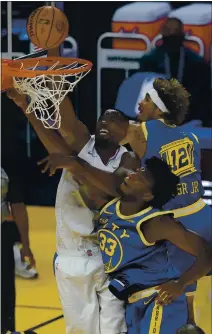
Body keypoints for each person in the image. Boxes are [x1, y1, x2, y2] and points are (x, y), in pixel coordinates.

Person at [7, 86, 140, 334]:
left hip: (111, 256)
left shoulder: (128, 160)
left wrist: (73, 163)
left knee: (115, 329)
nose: (106, 123)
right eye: (103, 118)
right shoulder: (82, 144)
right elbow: (63, 119)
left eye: (114, 121)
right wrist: (26, 103)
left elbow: (111, 190)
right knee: (81, 330)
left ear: (125, 132)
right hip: (72, 252)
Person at [96, 157, 212, 334]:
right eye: (136, 172)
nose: (131, 175)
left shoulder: (156, 223)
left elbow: (206, 255)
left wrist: (180, 283)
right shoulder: (110, 207)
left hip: (159, 299)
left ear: (147, 195)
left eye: (140, 178)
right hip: (133, 302)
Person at [139, 18, 211, 126]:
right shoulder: (149, 61)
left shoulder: (197, 63)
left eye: (175, 31)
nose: (172, 34)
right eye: (169, 31)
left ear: (182, 34)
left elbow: (201, 96)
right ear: (162, 33)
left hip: (189, 115)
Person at [1, 168, 36, 334]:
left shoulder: (7, 166)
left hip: (3, 235)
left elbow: (17, 206)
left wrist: (25, 245)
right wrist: (25, 246)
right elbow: (18, 207)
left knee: (5, 291)